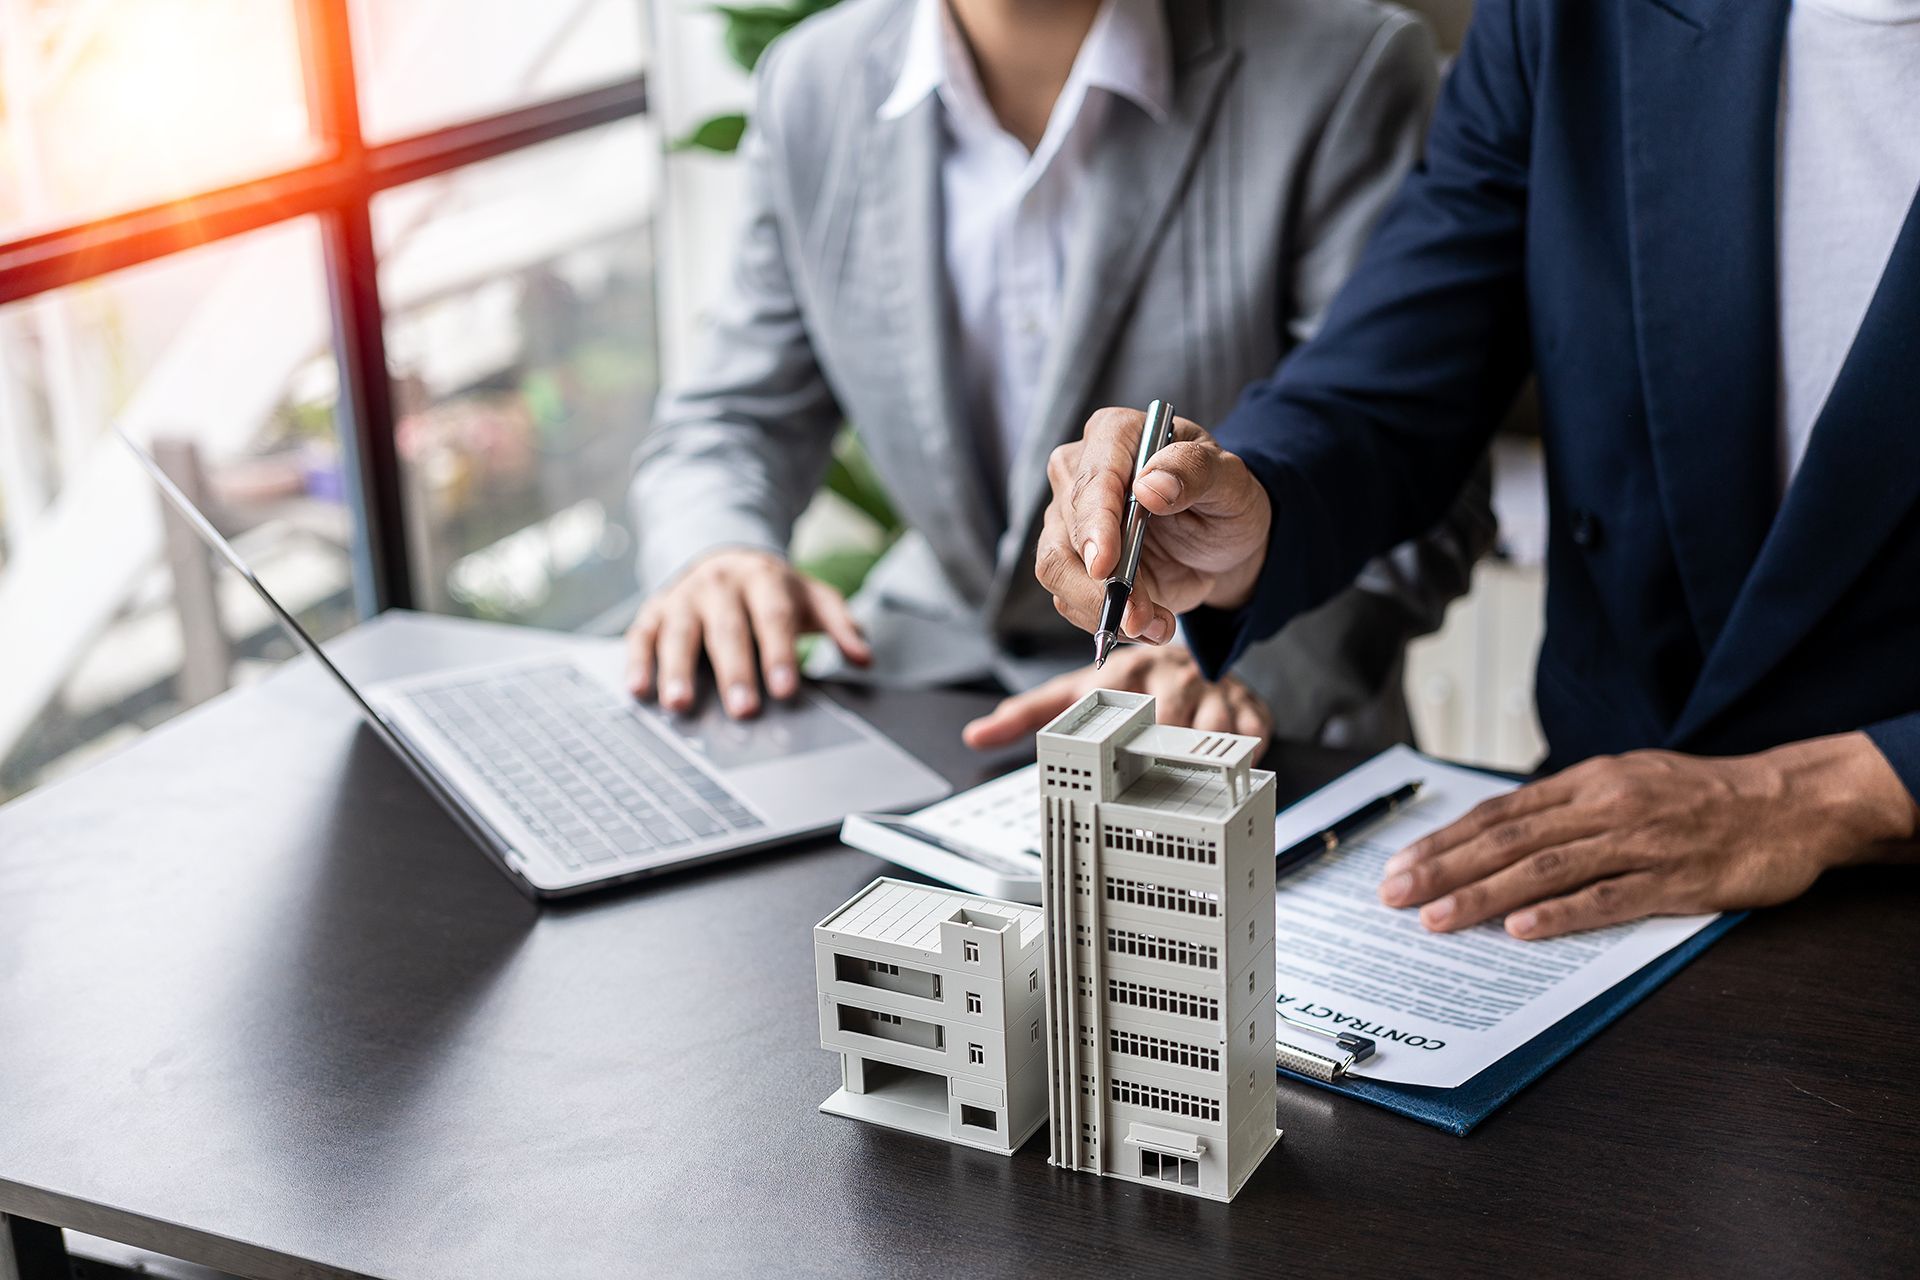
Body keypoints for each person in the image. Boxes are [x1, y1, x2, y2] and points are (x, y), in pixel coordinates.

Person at [1036, 0, 1920, 940]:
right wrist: (1245, 506)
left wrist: (1829, 792)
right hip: (1593, 864)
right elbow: (1396, 376)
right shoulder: (1575, 17)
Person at [626, 0, 1494, 755]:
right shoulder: (811, 80)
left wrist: (1210, 658)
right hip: (923, 697)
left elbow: (1417, 476)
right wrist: (717, 553)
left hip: (1226, 724)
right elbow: (731, 417)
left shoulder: (1341, 67)